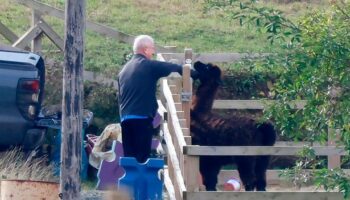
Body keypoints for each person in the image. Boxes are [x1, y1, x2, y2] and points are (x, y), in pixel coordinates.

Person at [118, 35, 198, 163]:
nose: (153, 52)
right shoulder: (148, 65)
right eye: (152, 49)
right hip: (142, 118)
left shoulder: (123, 70)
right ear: (145, 50)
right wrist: (195, 73)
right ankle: (142, 183)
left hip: (125, 118)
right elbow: (173, 68)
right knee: (142, 159)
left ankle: (129, 183)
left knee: (129, 160)